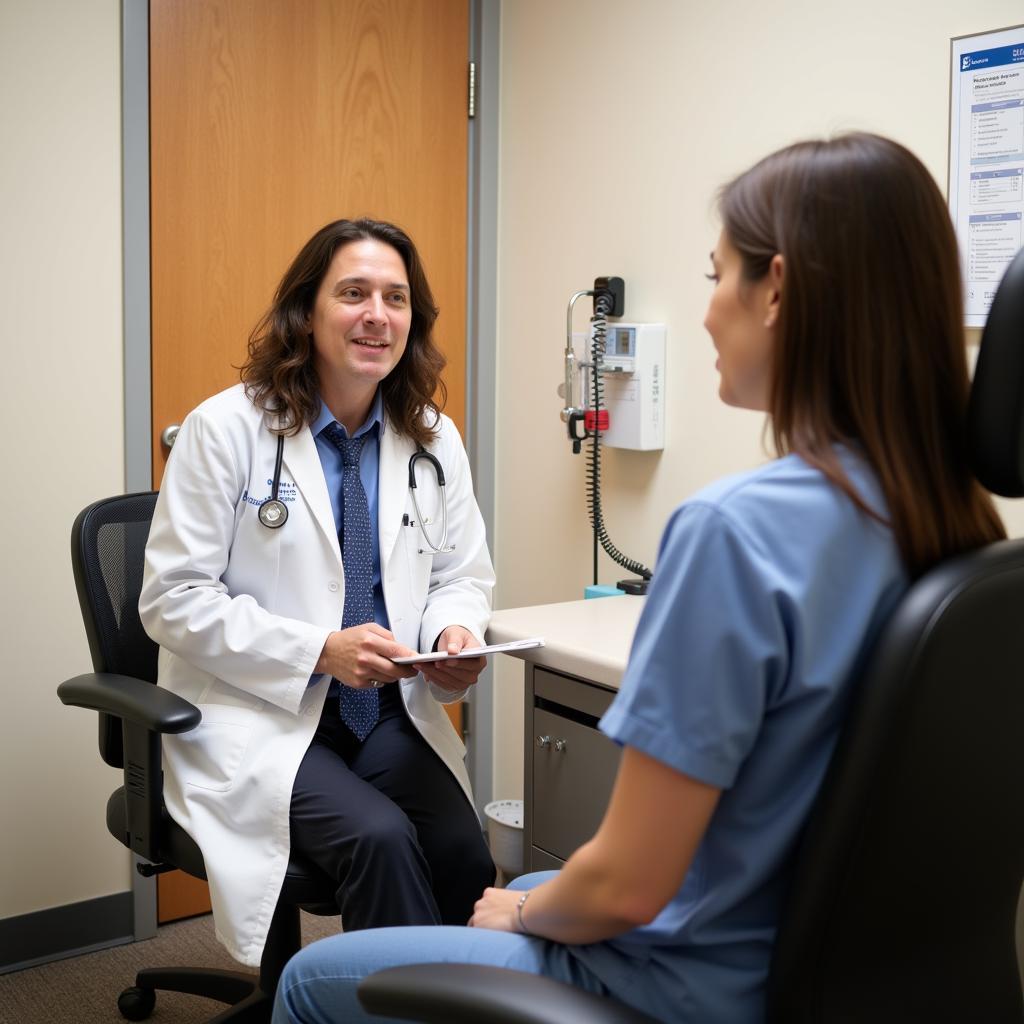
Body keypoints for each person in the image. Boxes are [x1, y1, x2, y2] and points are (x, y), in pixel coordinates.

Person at [269, 133, 1006, 1024]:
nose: (705, 314)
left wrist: (530, 909)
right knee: (523, 875)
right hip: (845, 964)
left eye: (715, 276)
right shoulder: (959, 526)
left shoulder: (735, 533)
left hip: (695, 979)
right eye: (353, 294)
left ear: (775, 291)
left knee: (322, 976)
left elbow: (624, 889)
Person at [139, 218, 497, 968]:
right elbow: (171, 598)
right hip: (259, 710)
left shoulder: (433, 438)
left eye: (396, 298)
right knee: (381, 841)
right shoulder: (225, 429)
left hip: (383, 713)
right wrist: (318, 651)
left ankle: (459, 1004)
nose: (377, 315)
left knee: (464, 849)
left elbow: (458, 576)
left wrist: (453, 636)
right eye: (354, 293)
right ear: (307, 311)